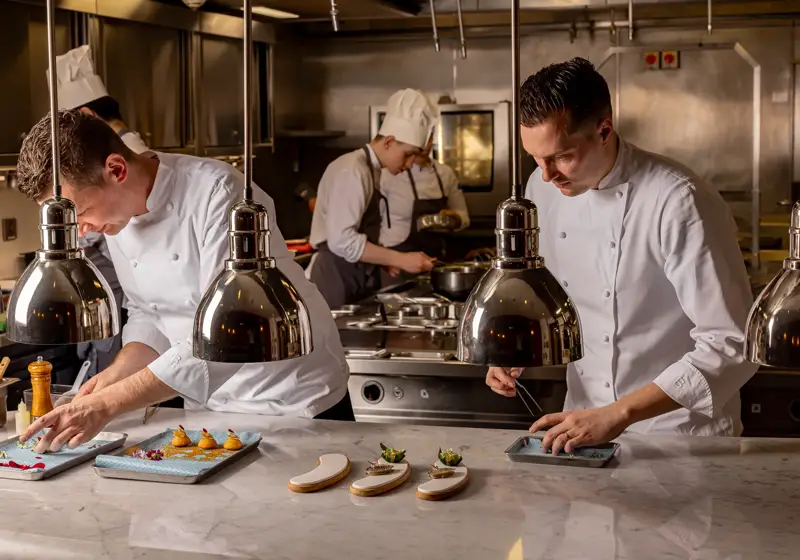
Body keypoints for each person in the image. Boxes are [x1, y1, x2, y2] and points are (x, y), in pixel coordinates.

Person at [17, 110, 351, 453]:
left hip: (292, 401)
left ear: (116, 170)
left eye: (82, 212)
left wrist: (107, 404)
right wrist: (107, 382)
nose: (82, 229)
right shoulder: (115, 216)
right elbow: (151, 316)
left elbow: (231, 333)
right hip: (211, 412)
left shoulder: (219, 193)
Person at [486, 58, 757, 455]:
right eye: (535, 158)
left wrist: (620, 413)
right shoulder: (541, 189)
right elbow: (550, 297)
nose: (545, 175)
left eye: (561, 156)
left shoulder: (678, 200)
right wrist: (515, 349)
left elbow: (733, 342)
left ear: (604, 129)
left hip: (677, 432)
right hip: (581, 426)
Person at [51, 45, 149, 379]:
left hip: (119, 305)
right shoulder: (134, 150)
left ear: (89, 117)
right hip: (128, 310)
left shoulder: (119, 167)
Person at [307, 89, 438, 309]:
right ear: (388, 141)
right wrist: (399, 259)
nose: (409, 164)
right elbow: (341, 240)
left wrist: (381, 260)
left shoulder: (372, 169)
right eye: (408, 154)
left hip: (356, 274)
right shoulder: (352, 170)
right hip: (335, 277)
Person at [379, 134, 470, 262]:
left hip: (434, 258)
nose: (423, 143)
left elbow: (464, 217)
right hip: (395, 259)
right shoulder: (388, 173)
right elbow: (372, 223)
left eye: (428, 138)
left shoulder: (445, 173)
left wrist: (454, 218)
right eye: (420, 137)